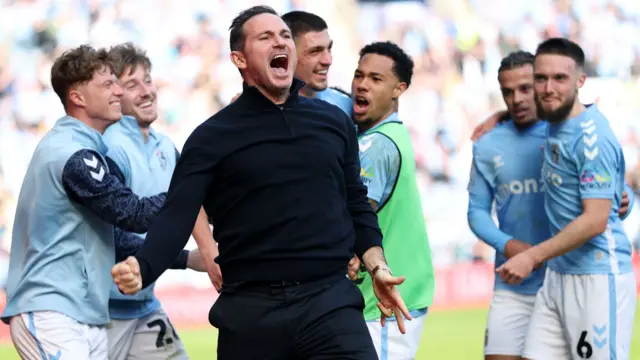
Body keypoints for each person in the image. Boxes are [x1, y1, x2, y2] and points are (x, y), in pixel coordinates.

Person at [111, 5, 410, 360]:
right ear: (239, 58)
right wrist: (144, 266)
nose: (279, 41)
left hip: (330, 304)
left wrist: (378, 266)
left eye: (284, 36)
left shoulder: (334, 123)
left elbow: (356, 206)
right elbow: (178, 215)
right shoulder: (210, 138)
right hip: (250, 315)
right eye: (265, 37)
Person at [1, 45, 167, 360]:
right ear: (78, 97)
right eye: (108, 85)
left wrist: (186, 258)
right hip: (51, 309)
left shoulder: (80, 148)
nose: (120, 91)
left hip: (81, 312)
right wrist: (197, 190)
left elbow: (116, 237)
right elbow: (132, 213)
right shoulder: (74, 154)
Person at [468, 50, 633, 360]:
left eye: (526, 88)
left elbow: (608, 182)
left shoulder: (564, 127)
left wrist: (626, 197)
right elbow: (476, 212)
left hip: (572, 271)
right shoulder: (488, 144)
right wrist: (510, 246)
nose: (516, 99)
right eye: (507, 92)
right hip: (516, 279)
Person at [104, 42, 221, 360]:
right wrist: (187, 259)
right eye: (132, 84)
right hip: (100, 313)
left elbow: (196, 204)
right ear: (113, 94)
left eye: (148, 80)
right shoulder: (108, 147)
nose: (146, 91)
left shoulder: (166, 146)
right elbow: (109, 237)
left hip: (143, 305)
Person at [346, 41, 434, 359]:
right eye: (359, 75)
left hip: (383, 303)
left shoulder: (376, 145)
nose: (362, 84)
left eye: (376, 79)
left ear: (399, 89)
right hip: (389, 295)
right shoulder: (389, 133)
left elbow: (356, 217)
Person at [281, 10, 352, 115]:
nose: (328, 60)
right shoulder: (261, 110)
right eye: (315, 51)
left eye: (329, 49)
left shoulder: (345, 107)